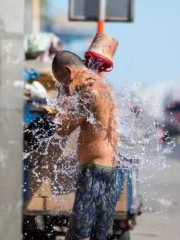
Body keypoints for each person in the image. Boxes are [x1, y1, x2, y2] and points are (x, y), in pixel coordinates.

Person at [51, 50, 118, 240]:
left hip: (94, 173)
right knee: (89, 235)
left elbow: (63, 127)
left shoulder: (88, 90)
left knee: (80, 237)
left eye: (62, 80)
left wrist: (68, 90)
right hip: (109, 171)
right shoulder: (104, 86)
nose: (62, 85)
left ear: (69, 71)